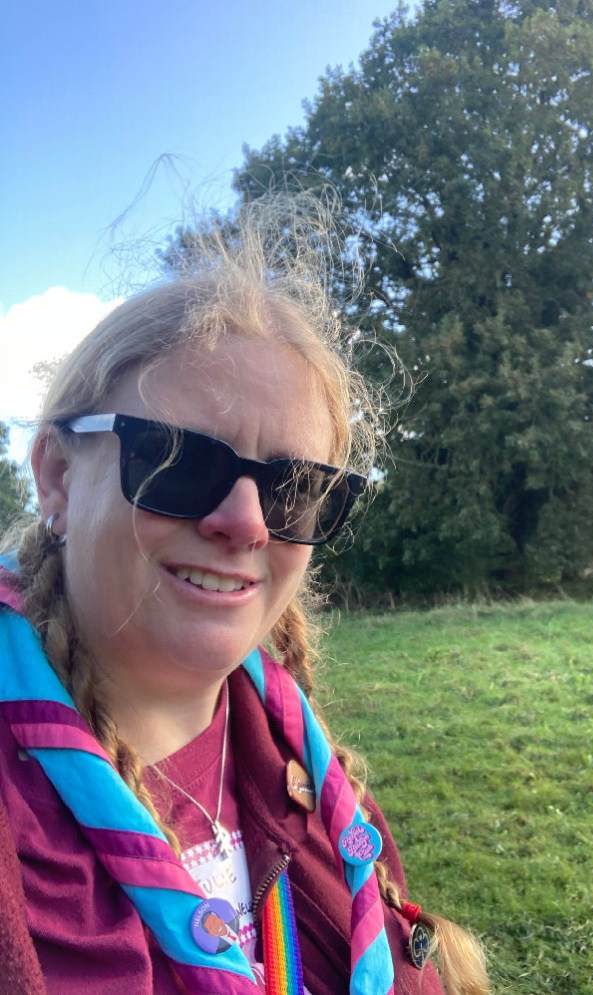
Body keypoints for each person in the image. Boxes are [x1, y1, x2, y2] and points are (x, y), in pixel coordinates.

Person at [0, 196, 489, 995]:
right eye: (180, 461)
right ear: (57, 474)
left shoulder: (309, 772)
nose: (246, 523)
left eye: (294, 488)